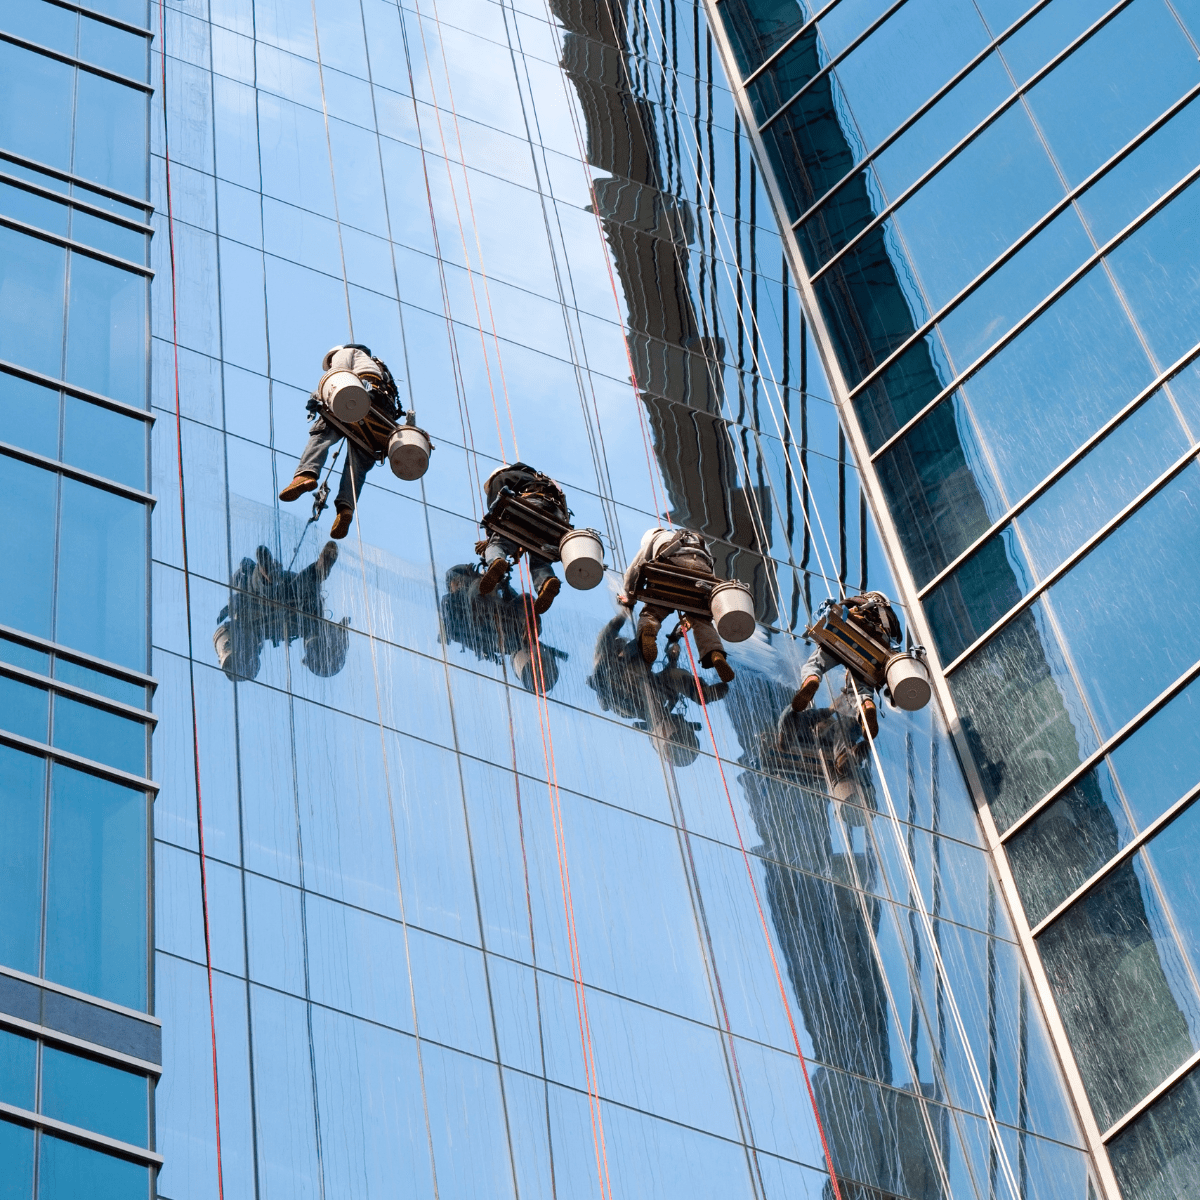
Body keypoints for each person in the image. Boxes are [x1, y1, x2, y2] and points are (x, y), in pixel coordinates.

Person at [278, 345, 401, 540]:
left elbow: (338, 378)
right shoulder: (384, 372)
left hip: (357, 397)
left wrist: (316, 398)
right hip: (382, 413)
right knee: (358, 464)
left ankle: (306, 475)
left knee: (323, 432)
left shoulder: (346, 353)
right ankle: (346, 509)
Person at [587, 613, 728, 766]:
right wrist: (673, 644)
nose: (623, 642)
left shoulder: (627, 703)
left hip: (632, 682)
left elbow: (659, 686)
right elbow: (667, 679)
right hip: (636, 682)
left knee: (662, 673)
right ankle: (702, 694)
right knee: (667, 675)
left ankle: (702, 694)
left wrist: (624, 613)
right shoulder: (666, 701)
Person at [620, 527, 735, 683]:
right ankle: (715, 653)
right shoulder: (699, 540)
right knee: (702, 621)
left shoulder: (656, 538)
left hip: (668, 574)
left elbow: (633, 571)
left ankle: (649, 631)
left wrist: (629, 597)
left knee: (652, 612)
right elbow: (710, 576)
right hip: (699, 578)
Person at [789, 591, 902, 737]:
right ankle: (866, 704)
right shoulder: (893, 620)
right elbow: (896, 643)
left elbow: (841, 607)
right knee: (860, 688)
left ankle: (812, 679)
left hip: (845, 635)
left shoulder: (861, 600)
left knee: (815, 664)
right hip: (873, 652)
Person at [477, 462, 569, 615]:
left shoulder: (501, 477)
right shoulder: (542, 479)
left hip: (530, 504)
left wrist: (490, 537)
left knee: (498, 542)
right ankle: (546, 581)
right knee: (539, 554)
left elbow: (496, 509)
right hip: (553, 518)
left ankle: (496, 561)